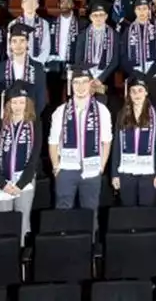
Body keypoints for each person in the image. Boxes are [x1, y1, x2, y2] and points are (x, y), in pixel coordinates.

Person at [49, 64, 112, 213]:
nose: (81, 86)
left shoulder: (102, 110)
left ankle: (90, 237)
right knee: (63, 212)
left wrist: (101, 166)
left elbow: (106, 141)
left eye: (85, 82)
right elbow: (53, 142)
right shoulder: (61, 111)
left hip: (92, 170)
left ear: (91, 84)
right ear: (71, 85)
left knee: (90, 213)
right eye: (76, 82)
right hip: (66, 169)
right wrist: (56, 167)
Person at [0, 81, 40, 244]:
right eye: (14, 102)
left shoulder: (35, 125)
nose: (18, 106)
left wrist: (21, 183)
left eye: (21, 102)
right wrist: (1, 182)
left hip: (24, 182)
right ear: (8, 103)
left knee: (23, 223)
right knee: (3, 225)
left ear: (28, 104)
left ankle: (22, 262)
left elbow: (34, 157)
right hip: (1, 182)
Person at [111, 73, 156, 206]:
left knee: (145, 213)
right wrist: (115, 174)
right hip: (126, 170)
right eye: (133, 91)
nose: (137, 94)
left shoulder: (155, 114)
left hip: (148, 170)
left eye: (140, 90)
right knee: (128, 211)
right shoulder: (122, 114)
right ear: (129, 93)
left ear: (146, 92)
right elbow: (117, 146)